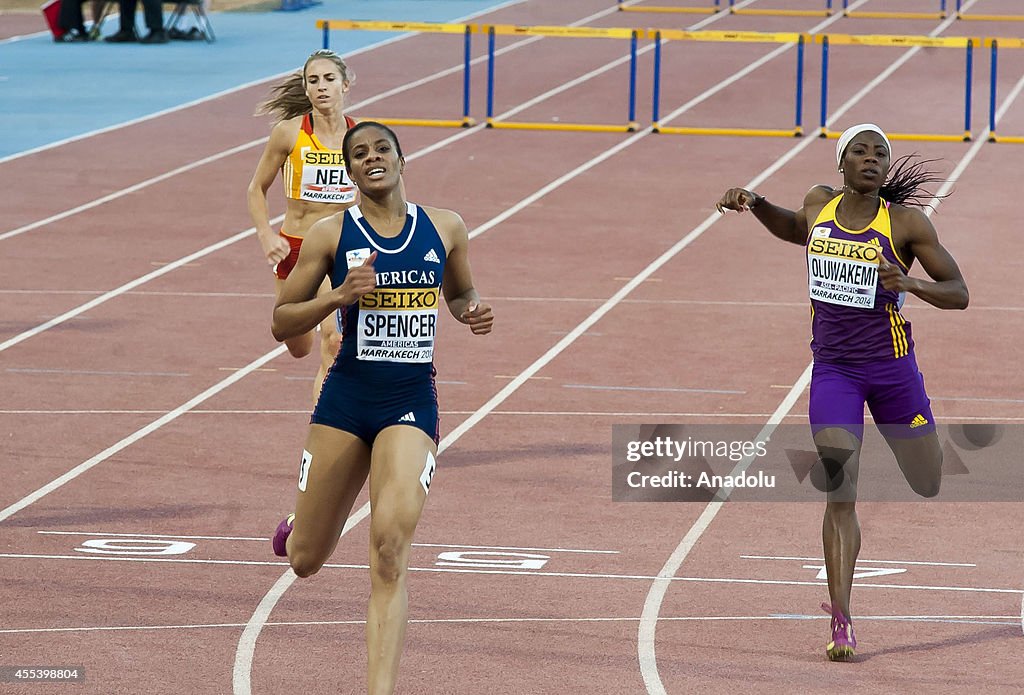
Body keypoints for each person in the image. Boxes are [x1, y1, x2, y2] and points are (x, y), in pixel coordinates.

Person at [715, 123, 968, 662]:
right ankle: (841, 618)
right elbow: (794, 228)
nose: (872, 159)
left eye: (880, 153)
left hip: (894, 372)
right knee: (839, 488)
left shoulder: (905, 223)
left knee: (927, 482)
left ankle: (913, 444)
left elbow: (959, 293)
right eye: (860, 151)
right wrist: (755, 202)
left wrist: (911, 283)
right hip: (834, 372)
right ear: (842, 163)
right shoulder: (818, 206)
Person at [270, 121, 493, 694]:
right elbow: (282, 322)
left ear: (401, 158)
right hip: (345, 400)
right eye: (359, 153)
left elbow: (460, 291)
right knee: (304, 560)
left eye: (382, 149)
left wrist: (470, 311)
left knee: (390, 547)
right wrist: (339, 295)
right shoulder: (329, 235)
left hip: (410, 400)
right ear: (349, 170)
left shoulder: (445, 227)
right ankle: (302, 523)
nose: (372, 158)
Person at [247, 49, 360, 402]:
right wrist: (266, 235)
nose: (322, 87)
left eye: (329, 80)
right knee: (296, 343)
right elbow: (256, 189)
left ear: (345, 86)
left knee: (335, 340)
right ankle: (303, 321)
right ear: (306, 89)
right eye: (314, 81)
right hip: (294, 248)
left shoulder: (360, 137)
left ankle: (323, 434)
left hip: (338, 250)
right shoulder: (288, 134)